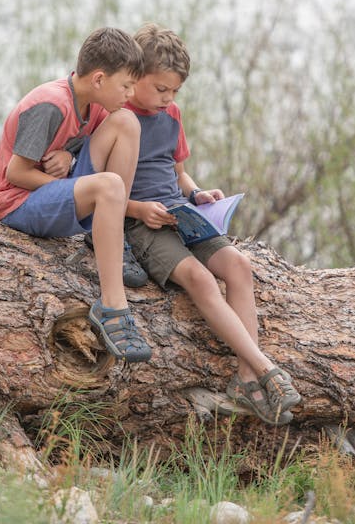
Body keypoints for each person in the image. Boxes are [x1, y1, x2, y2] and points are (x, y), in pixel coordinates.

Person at [122, 23, 302, 422]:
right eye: (160, 89)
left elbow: (178, 173)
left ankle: (244, 380)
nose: (168, 99)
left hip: (180, 212)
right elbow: (99, 186)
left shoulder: (171, 115)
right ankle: (265, 368)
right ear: (133, 78)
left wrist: (198, 194)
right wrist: (137, 211)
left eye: (175, 92)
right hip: (141, 223)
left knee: (238, 264)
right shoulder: (115, 116)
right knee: (202, 280)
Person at [0, 27, 152, 363]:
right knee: (109, 187)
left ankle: (111, 234)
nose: (131, 93)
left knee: (128, 123)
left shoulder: (96, 104)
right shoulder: (50, 105)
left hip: (55, 191)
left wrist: (72, 160)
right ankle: (112, 306)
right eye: (126, 85)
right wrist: (69, 185)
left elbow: (75, 145)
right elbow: (14, 174)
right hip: (18, 203)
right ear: (99, 79)